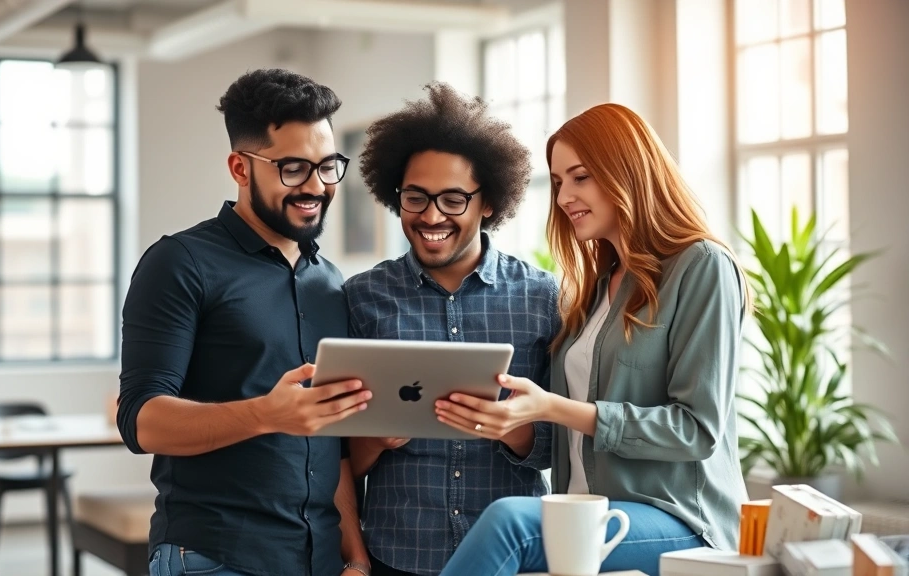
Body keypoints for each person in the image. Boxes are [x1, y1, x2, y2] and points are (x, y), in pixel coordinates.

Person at [435, 103, 750, 576]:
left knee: (510, 524)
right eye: (558, 182)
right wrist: (510, 418)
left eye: (580, 177)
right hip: (589, 511)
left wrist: (551, 407)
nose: (564, 197)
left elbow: (697, 429)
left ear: (627, 171)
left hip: (682, 519)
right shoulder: (599, 289)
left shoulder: (702, 265)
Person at [117, 69, 372, 576]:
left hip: (320, 561)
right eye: (294, 168)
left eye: (327, 167)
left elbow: (331, 441)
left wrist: (356, 556)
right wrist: (265, 414)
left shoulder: (330, 282)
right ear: (240, 167)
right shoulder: (180, 262)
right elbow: (141, 420)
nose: (316, 186)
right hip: (216, 557)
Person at [345, 83, 560, 576]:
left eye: (453, 199)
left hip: (515, 557)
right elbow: (329, 457)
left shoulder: (542, 298)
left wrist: (515, 430)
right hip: (397, 556)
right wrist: (374, 440)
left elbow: (566, 446)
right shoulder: (362, 297)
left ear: (489, 202)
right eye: (415, 197)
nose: (431, 215)